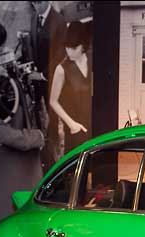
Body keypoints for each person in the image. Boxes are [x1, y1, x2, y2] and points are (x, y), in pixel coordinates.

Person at [30, 1, 67, 167]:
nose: (36, 5)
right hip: (36, 78)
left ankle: (56, 155)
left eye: (39, 2)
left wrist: (43, 75)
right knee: (38, 112)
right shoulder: (34, 18)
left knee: (53, 116)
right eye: (33, 2)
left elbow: (60, 54)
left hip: (50, 79)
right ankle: (42, 145)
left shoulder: (59, 21)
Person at [49, 21, 92, 154]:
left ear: (83, 46)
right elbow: (53, 101)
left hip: (93, 125)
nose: (69, 52)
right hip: (75, 129)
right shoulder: (61, 69)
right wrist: (71, 124)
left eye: (73, 48)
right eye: (67, 47)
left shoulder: (93, 59)